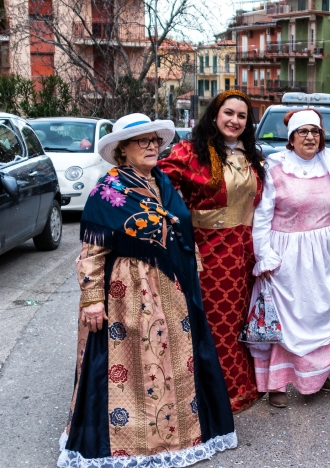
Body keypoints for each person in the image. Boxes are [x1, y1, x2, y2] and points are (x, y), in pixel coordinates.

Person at [60, 114, 237, 467]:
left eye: (155, 140)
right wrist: (93, 300)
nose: (153, 146)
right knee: (129, 366)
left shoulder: (162, 183)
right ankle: (131, 443)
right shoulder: (107, 190)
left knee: (173, 362)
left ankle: (178, 436)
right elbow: (91, 251)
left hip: (170, 288)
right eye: (143, 141)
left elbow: (181, 232)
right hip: (127, 290)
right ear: (122, 150)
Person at [250, 109, 330, 408]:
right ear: (291, 139)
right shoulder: (275, 170)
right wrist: (264, 256)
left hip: (326, 253)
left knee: (325, 314)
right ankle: (278, 384)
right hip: (288, 254)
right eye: (302, 132)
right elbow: (262, 218)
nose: (310, 137)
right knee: (290, 318)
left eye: (315, 132)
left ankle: (318, 374)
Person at [159, 89, 265, 413]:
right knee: (215, 322)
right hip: (210, 252)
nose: (234, 120)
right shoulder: (190, 151)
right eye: (228, 113)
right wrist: (178, 223)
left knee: (239, 322)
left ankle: (240, 385)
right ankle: (215, 394)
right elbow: (159, 180)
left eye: (242, 116)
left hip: (245, 251)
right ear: (215, 115)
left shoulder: (250, 155)